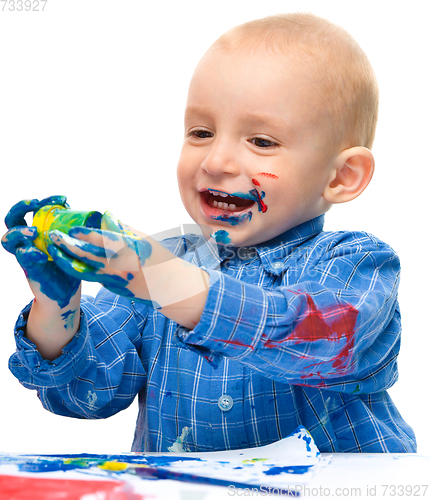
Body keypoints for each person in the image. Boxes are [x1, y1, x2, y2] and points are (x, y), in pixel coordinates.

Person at [2, 12, 416, 453]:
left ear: (342, 176)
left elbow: (314, 337)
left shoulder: (358, 263)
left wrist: (163, 279)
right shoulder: (154, 262)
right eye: (201, 132)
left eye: (261, 141)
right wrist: (57, 307)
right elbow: (87, 394)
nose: (216, 161)